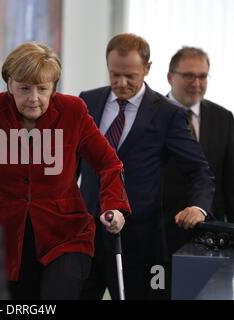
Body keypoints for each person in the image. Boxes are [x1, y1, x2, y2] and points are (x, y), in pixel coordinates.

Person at [0, 42, 131, 300]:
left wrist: (113, 206)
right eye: (24, 88)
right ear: (9, 84)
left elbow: (108, 164)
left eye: (42, 89)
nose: (33, 98)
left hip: (65, 234)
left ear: (53, 88)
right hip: (2, 236)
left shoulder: (72, 112)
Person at [78, 33, 215, 300]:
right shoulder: (87, 101)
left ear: (148, 68)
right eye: (114, 74)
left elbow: (200, 170)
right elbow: (70, 164)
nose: (121, 83)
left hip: (139, 244)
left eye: (130, 75)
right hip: (86, 238)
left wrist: (198, 207)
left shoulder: (167, 113)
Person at [162, 47, 234, 298]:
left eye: (203, 76)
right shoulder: (151, 115)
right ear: (171, 77)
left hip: (210, 235)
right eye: (189, 75)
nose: (197, 83)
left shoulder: (223, 118)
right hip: (160, 232)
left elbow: (229, 180)